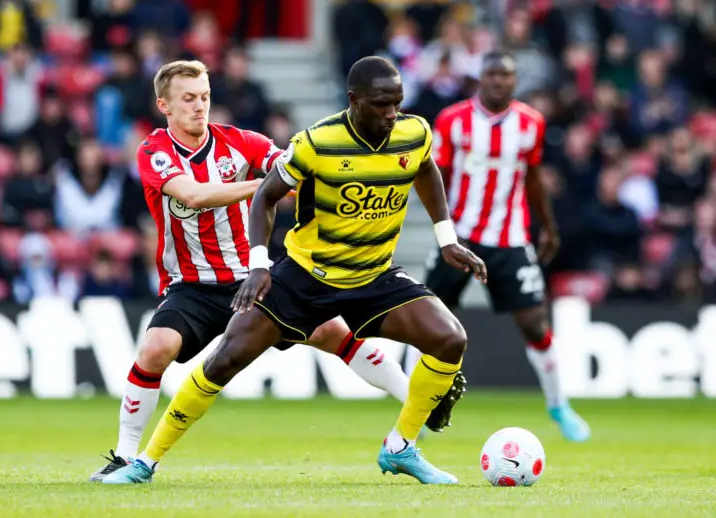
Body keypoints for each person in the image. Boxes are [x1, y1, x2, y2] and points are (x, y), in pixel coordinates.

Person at [103, 56, 487, 486]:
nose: (199, 106)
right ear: (164, 106)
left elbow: (291, 171)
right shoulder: (154, 151)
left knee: (336, 335)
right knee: (158, 349)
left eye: (205, 97)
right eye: (189, 98)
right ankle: (127, 456)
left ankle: (413, 411)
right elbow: (194, 195)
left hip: (251, 274)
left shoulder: (242, 141)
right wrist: (267, 185)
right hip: (194, 284)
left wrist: (301, 180)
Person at [425, 51, 591, 442]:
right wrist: (442, 228)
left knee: (534, 322)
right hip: (460, 237)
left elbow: (532, 176)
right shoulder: (452, 119)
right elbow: (435, 176)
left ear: (515, 81)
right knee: (426, 320)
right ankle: (415, 408)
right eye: (492, 74)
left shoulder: (531, 122)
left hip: (510, 238)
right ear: (480, 78)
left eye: (506, 75)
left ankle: (558, 405)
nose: (498, 81)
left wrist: (547, 226)